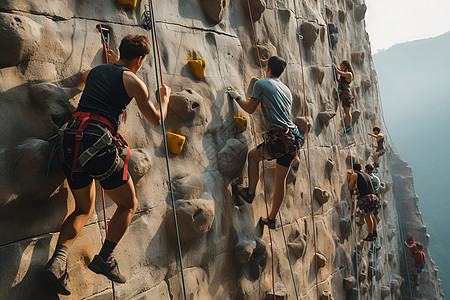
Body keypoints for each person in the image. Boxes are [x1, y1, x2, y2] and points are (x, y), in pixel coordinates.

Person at [42, 35, 171, 295]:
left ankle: (57, 262)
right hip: (95, 142)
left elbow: (80, 78)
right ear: (139, 59)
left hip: (70, 138)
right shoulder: (134, 82)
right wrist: (165, 99)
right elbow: (156, 120)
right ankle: (105, 258)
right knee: (128, 204)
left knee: (82, 208)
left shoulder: (97, 71)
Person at [228, 56, 303, 230]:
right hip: (293, 139)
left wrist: (236, 97)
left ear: (267, 67)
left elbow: (249, 108)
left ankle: (250, 193)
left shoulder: (261, 84)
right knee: (280, 182)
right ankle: (271, 219)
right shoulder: (286, 90)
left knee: (253, 157)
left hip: (279, 139)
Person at [348, 163, 379, 241]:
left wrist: (351, 180)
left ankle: (371, 234)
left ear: (354, 169)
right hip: (374, 198)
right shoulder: (367, 175)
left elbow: (350, 187)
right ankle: (373, 232)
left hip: (366, 198)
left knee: (367, 216)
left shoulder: (355, 175)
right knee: (370, 215)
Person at [334, 60, 355, 133]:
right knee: (345, 111)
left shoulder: (349, 74)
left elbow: (339, 73)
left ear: (346, 67)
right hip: (343, 95)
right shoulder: (345, 74)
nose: (341, 67)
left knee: (347, 111)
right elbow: (341, 72)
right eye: (341, 66)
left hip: (346, 95)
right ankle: (348, 126)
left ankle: (348, 126)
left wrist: (335, 68)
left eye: (342, 66)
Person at [365, 164, 381, 235]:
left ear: (367, 170)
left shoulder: (369, 178)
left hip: (373, 199)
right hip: (377, 198)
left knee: (371, 215)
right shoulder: (376, 178)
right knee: (374, 215)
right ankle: (374, 229)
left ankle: (374, 231)